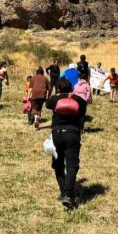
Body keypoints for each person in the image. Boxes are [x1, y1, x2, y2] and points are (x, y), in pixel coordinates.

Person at [45, 78, 88, 210]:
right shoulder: (78, 99)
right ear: (72, 88)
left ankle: (63, 191)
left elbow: (47, 104)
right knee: (72, 165)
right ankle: (68, 195)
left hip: (57, 133)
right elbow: (82, 111)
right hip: (73, 133)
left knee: (58, 164)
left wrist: (57, 95)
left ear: (58, 88)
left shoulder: (54, 99)